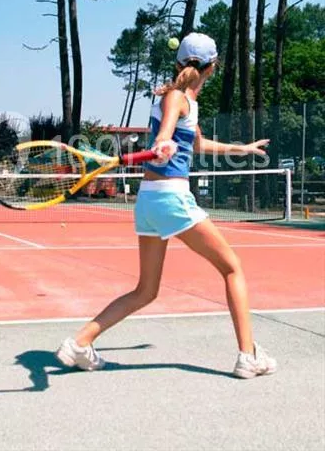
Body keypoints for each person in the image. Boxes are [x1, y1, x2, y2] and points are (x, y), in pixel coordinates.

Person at [57, 32, 276, 379]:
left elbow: (197, 144)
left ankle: (80, 343)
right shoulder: (175, 98)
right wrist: (162, 144)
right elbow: (164, 135)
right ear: (213, 67)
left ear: (179, 64)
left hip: (149, 201)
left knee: (146, 290)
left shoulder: (181, 99)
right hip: (171, 198)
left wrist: (242, 149)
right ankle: (248, 356)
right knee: (232, 269)